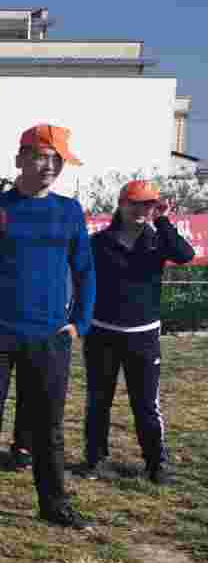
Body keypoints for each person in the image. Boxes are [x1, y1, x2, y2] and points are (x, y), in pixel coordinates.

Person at [0, 124, 95, 527]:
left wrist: (80, 322)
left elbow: (84, 269)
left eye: (57, 160)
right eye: (41, 157)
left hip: (50, 336)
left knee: (48, 426)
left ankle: (54, 503)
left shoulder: (69, 211)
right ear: (20, 159)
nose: (50, 166)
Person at [82, 179, 194, 483]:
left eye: (148, 204)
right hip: (102, 333)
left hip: (143, 335)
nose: (141, 210)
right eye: (135, 203)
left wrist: (163, 220)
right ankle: (95, 459)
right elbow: (82, 280)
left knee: (145, 403)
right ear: (121, 204)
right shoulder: (99, 242)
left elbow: (185, 254)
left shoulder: (158, 240)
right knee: (98, 400)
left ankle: (156, 463)